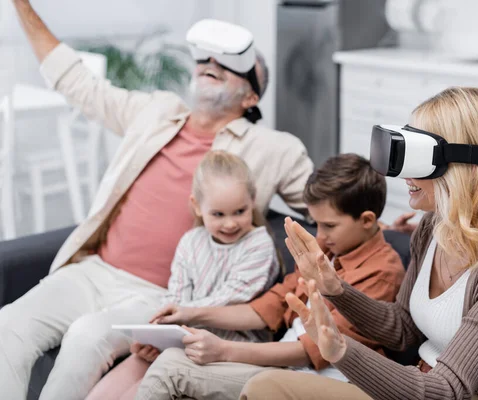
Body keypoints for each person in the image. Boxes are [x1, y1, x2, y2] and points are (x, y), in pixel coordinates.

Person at [1, 2, 313, 400]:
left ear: (250, 96)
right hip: (91, 270)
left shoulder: (274, 148)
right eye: (207, 59)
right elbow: (76, 80)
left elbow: (329, 202)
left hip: (159, 295)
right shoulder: (155, 112)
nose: (212, 62)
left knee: (85, 335)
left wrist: (393, 224)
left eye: (231, 64)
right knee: (8, 324)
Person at [241, 87, 478, 400]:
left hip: (461, 394)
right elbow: (402, 328)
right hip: (419, 382)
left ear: (465, 168)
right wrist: (335, 288)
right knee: (265, 387)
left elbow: (446, 390)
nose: (402, 174)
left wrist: (340, 350)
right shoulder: (433, 226)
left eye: (417, 156)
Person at [132, 153, 406, 400]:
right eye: (316, 224)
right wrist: (188, 313)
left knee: (171, 369)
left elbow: (318, 350)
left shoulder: (381, 271)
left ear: (368, 221)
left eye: (329, 225)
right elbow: (270, 307)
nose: (319, 235)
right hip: (284, 366)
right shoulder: (326, 248)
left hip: (320, 377)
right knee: (170, 360)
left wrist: (224, 350)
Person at [85, 151, 281, 399]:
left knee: (136, 394)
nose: (230, 224)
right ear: (197, 206)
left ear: (253, 200)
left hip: (230, 347)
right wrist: (155, 336)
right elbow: (175, 297)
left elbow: (230, 298)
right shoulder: (191, 242)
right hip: (183, 338)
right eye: (218, 214)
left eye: (239, 211)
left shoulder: (259, 244)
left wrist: (177, 318)